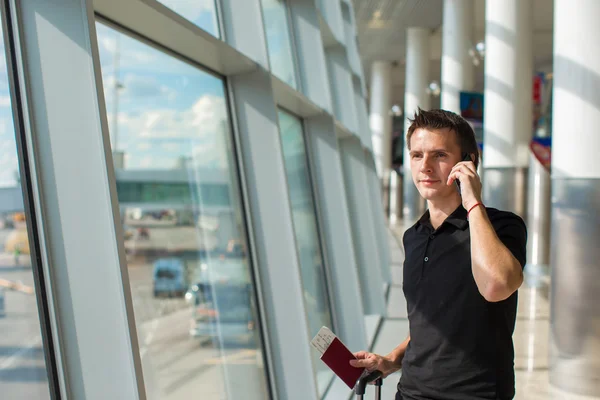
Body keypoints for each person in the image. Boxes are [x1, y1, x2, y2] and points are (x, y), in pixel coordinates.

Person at [350, 108, 527, 400]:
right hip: (410, 393)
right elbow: (430, 322)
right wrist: (393, 359)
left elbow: (497, 286)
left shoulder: (501, 225)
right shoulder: (414, 236)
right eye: (417, 155)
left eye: (440, 155)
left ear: (468, 163)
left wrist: (472, 203)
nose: (425, 166)